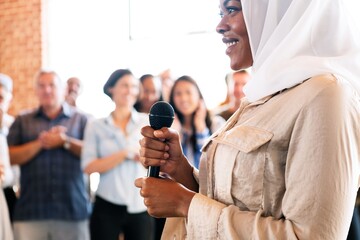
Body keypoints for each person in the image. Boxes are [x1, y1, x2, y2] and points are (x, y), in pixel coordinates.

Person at [135, 0, 360, 239]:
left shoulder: (326, 94)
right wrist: (181, 170)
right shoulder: (263, 94)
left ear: (279, 11)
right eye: (220, 13)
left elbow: (313, 236)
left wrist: (186, 204)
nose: (220, 26)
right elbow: (245, 199)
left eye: (232, 9)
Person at [8, 69, 90, 240]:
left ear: (63, 89)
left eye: (52, 85)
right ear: (36, 91)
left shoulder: (82, 120)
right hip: (30, 212)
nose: (47, 90)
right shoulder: (22, 120)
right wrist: (40, 143)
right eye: (41, 86)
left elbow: (93, 154)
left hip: (73, 211)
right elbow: (9, 156)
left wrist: (65, 142)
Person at [81, 69, 154, 240]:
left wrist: (143, 158)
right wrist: (124, 154)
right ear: (111, 88)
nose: (130, 90)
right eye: (124, 85)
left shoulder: (147, 121)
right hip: (107, 204)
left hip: (141, 204)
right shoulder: (96, 125)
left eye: (134, 86)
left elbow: (155, 164)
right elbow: (88, 166)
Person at [169, 75, 225, 169]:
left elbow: (214, 163)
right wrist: (175, 136)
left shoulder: (216, 124)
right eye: (178, 94)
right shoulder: (171, 127)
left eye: (188, 92)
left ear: (199, 96)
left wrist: (201, 129)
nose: (183, 98)